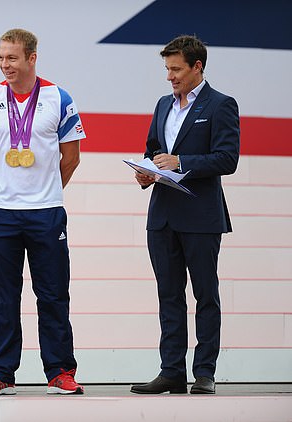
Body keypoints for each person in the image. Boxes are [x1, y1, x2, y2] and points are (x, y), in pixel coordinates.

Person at [0, 28, 85, 395]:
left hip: (47, 213)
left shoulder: (59, 98)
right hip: (1, 213)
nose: (5, 65)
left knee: (53, 295)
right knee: (2, 297)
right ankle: (0, 372)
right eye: (1, 58)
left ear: (32, 58)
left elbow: (71, 157)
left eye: (12, 58)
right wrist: (8, 188)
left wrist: (44, 191)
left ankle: (60, 371)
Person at [130, 35, 240, 395]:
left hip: (201, 216)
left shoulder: (221, 105)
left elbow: (228, 159)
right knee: (169, 295)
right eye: (167, 69)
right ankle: (171, 371)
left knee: (205, 294)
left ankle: (204, 372)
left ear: (197, 67)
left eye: (176, 69)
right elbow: (153, 149)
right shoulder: (163, 105)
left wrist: (182, 162)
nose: (170, 76)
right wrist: (146, 171)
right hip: (162, 215)